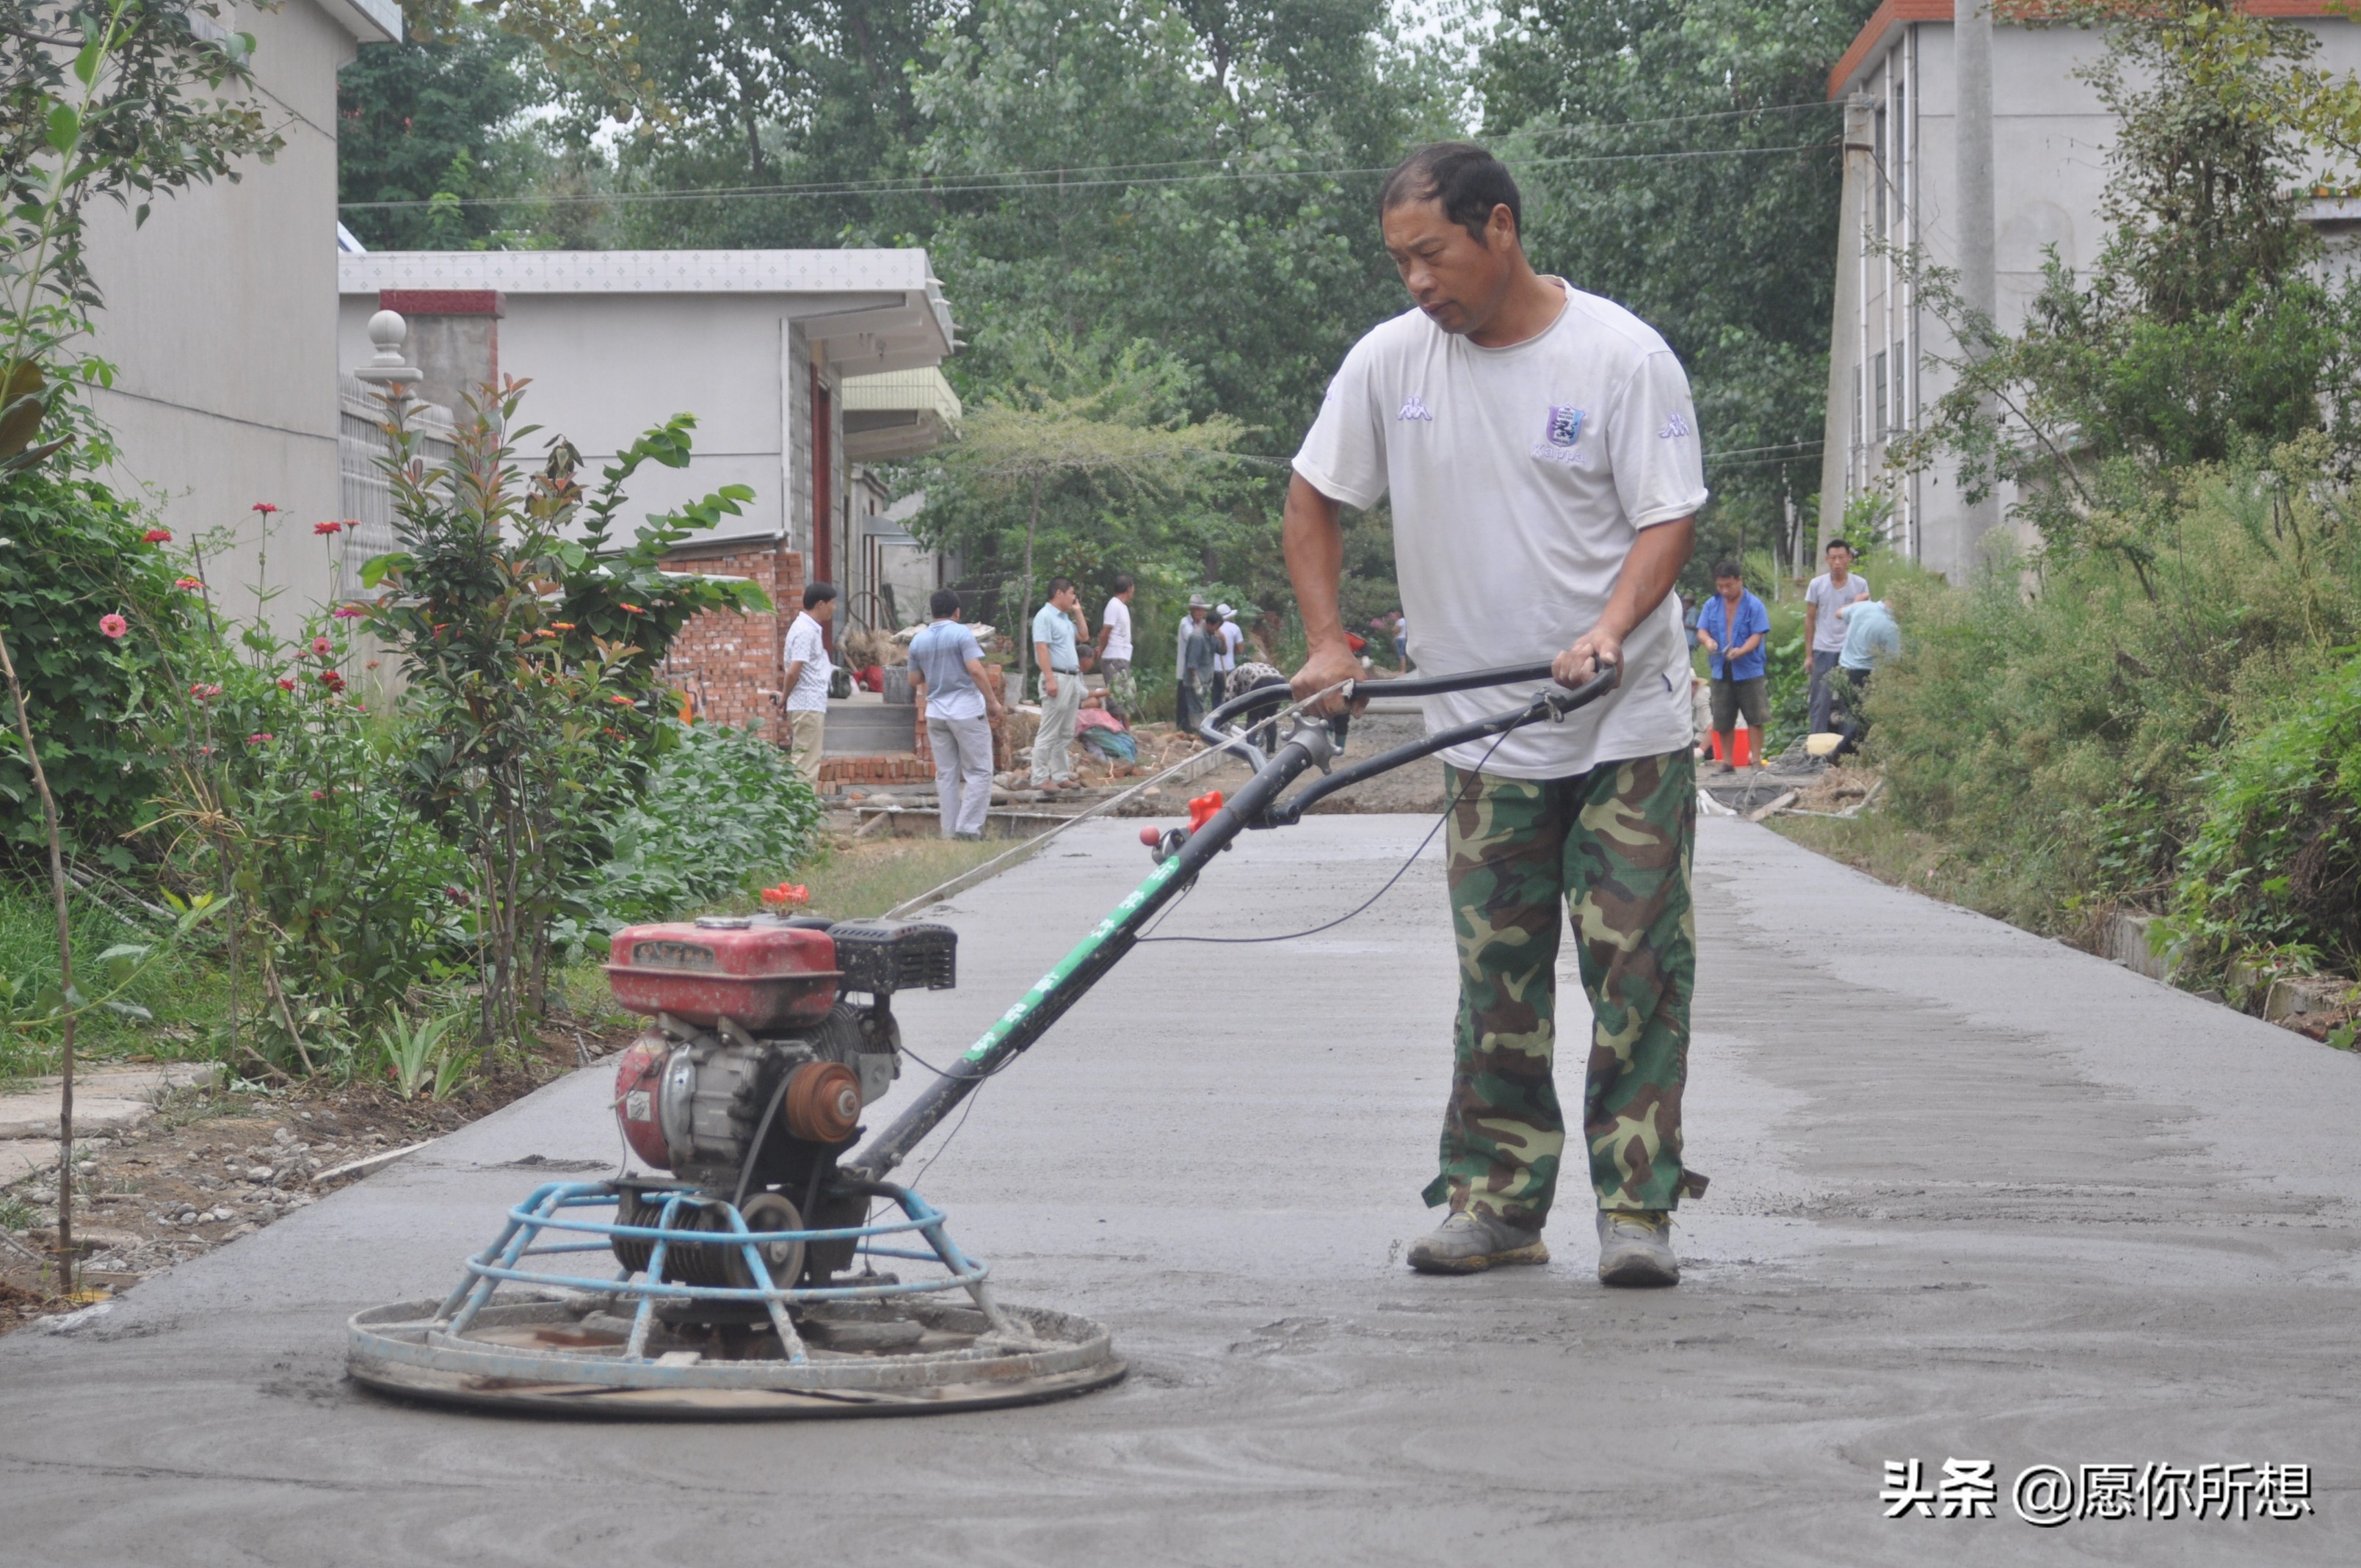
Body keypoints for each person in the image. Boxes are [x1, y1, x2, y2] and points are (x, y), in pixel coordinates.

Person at [1286, 142, 1706, 1288]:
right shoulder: (1390, 364)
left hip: (1625, 726)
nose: (1417, 282)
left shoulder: (1620, 358)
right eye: (1399, 261)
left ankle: (1637, 1212)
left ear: (1501, 229)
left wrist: (1611, 625)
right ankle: (1497, 1202)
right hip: (1481, 735)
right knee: (1497, 977)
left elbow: (1668, 519)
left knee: (1635, 969)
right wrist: (1330, 639)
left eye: (1432, 254)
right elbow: (1315, 497)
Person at [907, 588, 1007, 840]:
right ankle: (969, 829)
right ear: (957, 612)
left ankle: (949, 832)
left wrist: (935, 670)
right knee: (980, 771)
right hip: (966, 711)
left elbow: (914, 679)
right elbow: (975, 669)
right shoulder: (962, 634)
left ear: (932, 611)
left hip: (936, 713)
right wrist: (993, 701)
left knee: (946, 774)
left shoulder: (919, 640)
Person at [1693, 561, 1769, 774]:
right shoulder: (1712, 604)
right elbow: (1702, 630)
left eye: (1729, 585)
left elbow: (1757, 635)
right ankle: (1726, 762)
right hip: (1721, 667)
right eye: (1720, 586)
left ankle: (1755, 760)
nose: (1725, 590)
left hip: (1749, 668)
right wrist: (1708, 642)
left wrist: (1742, 650)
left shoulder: (1754, 605)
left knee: (1755, 716)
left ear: (1739, 581)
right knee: (1722, 717)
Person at [1803, 541, 1868, 736]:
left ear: (1849, 558)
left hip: (1850, 649)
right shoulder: (1817, 585)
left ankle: (1848, 749)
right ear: (1827, 559)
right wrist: (1809, 655)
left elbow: (1865, 616)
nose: (1837, 562)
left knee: (1851, 700)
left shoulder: (1860, 584)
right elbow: (1810, 619)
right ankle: (1818, 750)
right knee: (1820, 700)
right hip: (1823, 648)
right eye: (1833, 558)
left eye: (1841, 557)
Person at [1031, 578, 1086, 791]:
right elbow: (1042, 648)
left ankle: (1061, 774)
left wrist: (1078, 611)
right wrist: (1050, 678)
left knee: (1065, 731)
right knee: (1049, 731)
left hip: (1071, 678)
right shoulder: (1045, 616)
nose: (1074, 597)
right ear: (1060, 593)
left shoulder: (1063, 619)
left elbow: (1083, 635)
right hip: (1056, 677)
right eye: (1071, 593)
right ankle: (1039, 778)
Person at [780, 581, 835, 786]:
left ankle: (800, 812)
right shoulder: (805, 631)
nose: (834, 608)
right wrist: (784, 697)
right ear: (821, 604)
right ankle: (800, 815)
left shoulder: (807, 628)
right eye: (832, 603)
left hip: (808, 703)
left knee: (806, 763)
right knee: (805, 766)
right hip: (807, 703)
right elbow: (794, 670)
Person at [1832, 597, 1900, 758]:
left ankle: (1850, 759)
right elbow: (1894, 663)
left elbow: (1839, 613)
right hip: (1866, 674)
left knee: (1850, 716)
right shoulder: (1891, 627)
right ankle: (1839, 754)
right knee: (1865, 720)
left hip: (1843, 670)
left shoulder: (1862, 607)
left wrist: (1856, 602)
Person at [1097, 573, 1138, 721]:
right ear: (1129, 589)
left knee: (1126, 696)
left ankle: (1126, 731)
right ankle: (1115, 729)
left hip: (1123, 656)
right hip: (1114, 656)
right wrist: (1102, 649)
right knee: (1116, 696)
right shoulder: (1114, 605)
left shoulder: (1122, 607)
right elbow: (1106, 632)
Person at [1174, 595, 1211, 730]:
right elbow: (1192, 637)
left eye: (1203, 610)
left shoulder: (1202, 624)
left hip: (1199, 669)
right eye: (1198, 610)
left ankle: (1194, 725)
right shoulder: (1185, 623)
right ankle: (1182, 725)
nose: (1201, 613)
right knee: (1184, 699)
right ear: (1192, 610)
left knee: (1196, 697)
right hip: (1185, 667)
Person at [1211, 600, 1246, 701]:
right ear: (1230, 616)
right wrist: (1231, 652)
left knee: (1216, 696)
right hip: (1228, 667)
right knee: (1229, 695)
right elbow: (1240, 649)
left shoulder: (1212, 628)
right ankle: (1228, 716)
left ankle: (1215, 715)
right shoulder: (1235, 628)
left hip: (1213, 668)